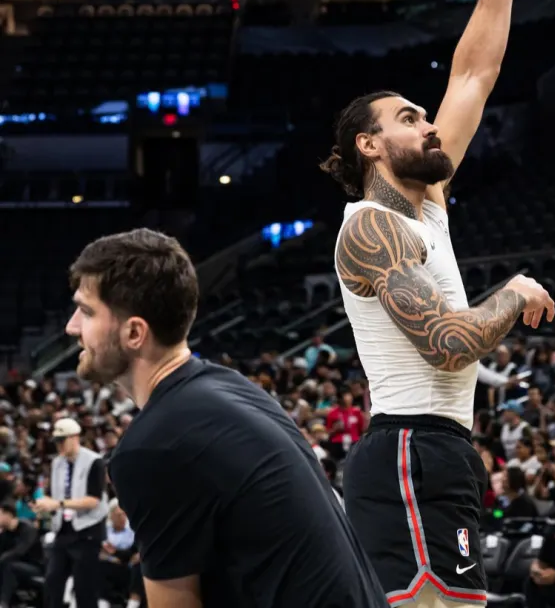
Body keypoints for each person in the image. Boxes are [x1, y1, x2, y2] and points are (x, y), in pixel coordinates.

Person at [322, 0, 555, 608]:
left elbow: (476, 72)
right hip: (409, 451)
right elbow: (450, 343)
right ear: (368, 145)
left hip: (438, 450)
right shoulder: (370, 229)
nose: (429, 122)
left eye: (426, 114)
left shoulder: (426, 205)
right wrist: (514, 292)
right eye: (409, 117)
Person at [65, 228, 389, 608]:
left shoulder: (151, 447)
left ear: (135, 332)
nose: (72, 326)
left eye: (86, 312)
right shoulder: (232, 388)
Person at [34, 416, 107, 608]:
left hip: (87, 530)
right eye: (56, 441)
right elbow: (53, 496)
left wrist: (57, 504)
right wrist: (44, 506)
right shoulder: (56, 463)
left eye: (61, 440)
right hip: (63, 530)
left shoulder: (95, 462)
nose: (58, 445)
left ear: (75, 437)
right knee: (52, 581)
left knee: (85, 587)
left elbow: (93, 500)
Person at [0, 499, 41, 608]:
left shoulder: (28, 528)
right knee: (7, 565)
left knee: (9, 566)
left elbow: (20, 551)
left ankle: (3, 603)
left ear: (8, 514)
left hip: (35, 567)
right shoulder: (5, 533)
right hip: (15, 565)